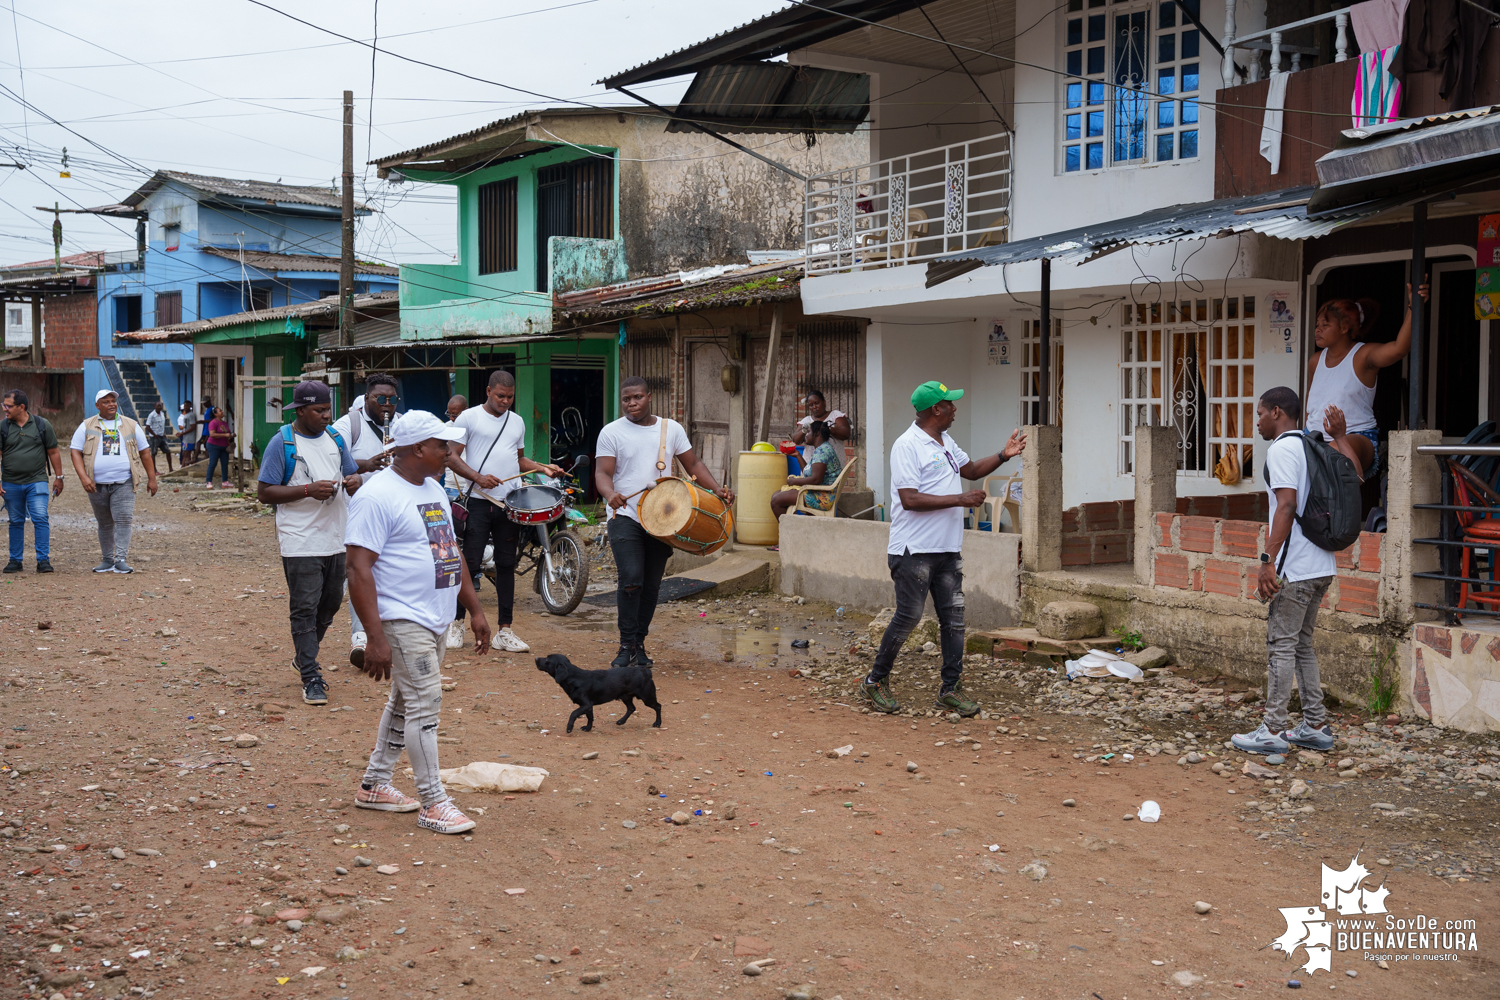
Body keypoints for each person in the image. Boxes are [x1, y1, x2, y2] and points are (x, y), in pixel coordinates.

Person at [346, 410, 489, 835]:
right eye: (442, 445)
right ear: (417, 449)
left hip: (436, 615)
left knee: (407, 702)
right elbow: (357, 568)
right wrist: (374, 636)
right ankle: (433, 802)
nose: (449, 452)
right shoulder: (376, 496)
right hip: (400, 617)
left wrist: (475, 609)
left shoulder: (433, 489)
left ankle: (374, 784)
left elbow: (449, 550)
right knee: (426, 704)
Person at [858, 381, 1026, 718]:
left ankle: (950, 689)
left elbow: (972, 471)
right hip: (913, 550)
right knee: (909, 617)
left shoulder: (945, 441)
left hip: (947, 548)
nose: (955, 408)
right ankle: (875, 681)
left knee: (954, 621)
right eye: (950, 403)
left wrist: (1002, 455)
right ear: (936, 409)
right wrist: (961, 499)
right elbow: (909, 499)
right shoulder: (907, 446)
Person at [594, 376, 733, 669]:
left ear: (649, 396)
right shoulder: (611, 432)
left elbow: (693, 465)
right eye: (626, 399)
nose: (632, 404)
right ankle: (625, 645)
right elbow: (602, 473)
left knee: (652, 585)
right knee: (631, 578)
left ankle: (638, 644)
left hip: (662, 519)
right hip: (626, 515)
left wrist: (717, 490)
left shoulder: (671, 429)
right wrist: (610, 494)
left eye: (637, 398)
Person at [1232, 386, 1338, 755]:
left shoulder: (1281, 449)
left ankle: (1274, 731)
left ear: (1277, 412)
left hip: (1295, 567)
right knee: (1302, 646)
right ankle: (1316, 726)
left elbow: (1287, 504)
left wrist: (1267, 561)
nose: (1256, 421)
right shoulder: (1312, 445)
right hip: (1323, 563)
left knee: (1280, 646)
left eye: (1259, 413)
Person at [256, 381, 363, 706]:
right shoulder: (282, 443)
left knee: (329, 604)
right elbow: (264, 493)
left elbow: (351, 474)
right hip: (300, 539)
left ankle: (305, 655)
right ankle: (311, 676)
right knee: (304, 608)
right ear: (300, 410)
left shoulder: (335, 438)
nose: (325, 416)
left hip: (336, 537)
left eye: (328, 409)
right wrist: (307, 490)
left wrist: (355, 480)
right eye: (318, 410)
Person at [447, 371, 563, 654]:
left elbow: (518, 458)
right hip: (477, 499)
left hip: (509, 502)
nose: (505, 401)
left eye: (510, 397)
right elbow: (450, 455)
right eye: (500, 396)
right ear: (488, 391)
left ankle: (505, 631)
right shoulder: (468, 418)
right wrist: (478, 477)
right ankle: (456, 624)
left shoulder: (517, 421)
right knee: (470, 563)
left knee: (506, 565)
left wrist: (542, 467)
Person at [1304, 280, 1428, 479]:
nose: (1318, 330)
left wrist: (1414, 307)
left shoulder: (1363, 355)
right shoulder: (1315, 360)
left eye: (1325, 325)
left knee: (1331, 456)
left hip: (1356, 437)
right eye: (1317, 325)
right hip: (1313, 436)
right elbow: (1312, 402)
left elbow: (1399, 349)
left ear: (1344, 328)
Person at [332, 373, 403, 664]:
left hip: (392, 511)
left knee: (389, 573)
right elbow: (329, 458)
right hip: (356, 512)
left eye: (392, 400)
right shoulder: (348, 424)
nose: (387, 405)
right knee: (360, 573)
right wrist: (364, 466)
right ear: (366, 399)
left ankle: (387, 635)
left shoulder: (400, 425)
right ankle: (360, 637)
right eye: (380, 399)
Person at [69, 389, 157, 574]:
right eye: (106, 401)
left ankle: (121, 560)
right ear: (97, 405)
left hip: (124, 481)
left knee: (124, 519)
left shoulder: (130, 425)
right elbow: (75, 451)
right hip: (96, 484)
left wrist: (152, 478)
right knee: (105, 523)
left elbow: (145, 452)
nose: (111, 404)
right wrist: (84, 477)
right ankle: (107, 560)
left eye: (113, 401)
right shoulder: (86, 426)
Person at [1, 389, 63, 574]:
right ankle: (15, 560)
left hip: (36, 480)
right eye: (3, 405)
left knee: (40, 517)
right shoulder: (3, 427)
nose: (5, 409)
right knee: (16, 521)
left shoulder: (42, 425)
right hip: (10, 483)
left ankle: (43, 560)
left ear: (21, 407)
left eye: (8, 406)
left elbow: (53, 452)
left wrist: (59, 478)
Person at [770, 419, 842, 519]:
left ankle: (791, 533)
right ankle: (794, 530)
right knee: (777, 494)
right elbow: (810, 473)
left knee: (776, 500)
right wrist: (798, 455)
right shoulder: (823, 448)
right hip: (821, 493)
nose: (805, 435)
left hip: (822, 497)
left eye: (808, 432)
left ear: (816, 433)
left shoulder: (822, 452)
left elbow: (815, 480)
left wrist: (794, 481)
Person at [791, 390, 851, 469]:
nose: (814, 407)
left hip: (834, 466)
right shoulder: (806, 420)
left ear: (824, 402)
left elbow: (846, 433)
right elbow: (795, 440)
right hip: (811, 467)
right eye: (811, 405)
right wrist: (804, 430)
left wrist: (826, 428)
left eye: (817, 403)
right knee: (813, 479)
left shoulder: (835, 415)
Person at [202, 407, 234, 488]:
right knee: (213, 463)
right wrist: (225, 435)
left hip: (224, 447)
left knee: (225, 464)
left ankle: (225, 482)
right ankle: (208, 482)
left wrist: (231, 435)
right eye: (220, 411)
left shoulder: (224, 423)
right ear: (215, 414)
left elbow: (227, 433)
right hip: (213, 446)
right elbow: (212, 434)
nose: (222, 412)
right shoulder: (213, 423)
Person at [144, 401, 174, 473]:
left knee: (168, 451)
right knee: (154, 453)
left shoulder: (162, 414)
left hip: (162, 436)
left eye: (160, 405)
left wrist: (164, 433)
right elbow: (147, 427)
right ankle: (154, 470)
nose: (159, 407)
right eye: (158, 406)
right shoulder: (152, 415)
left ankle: (171, 468)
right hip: (154, 437)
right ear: (155, 406)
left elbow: (162, 424)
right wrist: (154, 435)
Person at [177, 401, 197, 466]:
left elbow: (193, 427)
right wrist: (181, 433)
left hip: (189, 439)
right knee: (184, 453)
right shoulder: (185, 415)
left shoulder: (191, 415)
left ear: (190, 406)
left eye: (187, 406)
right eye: (184, 406)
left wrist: (183, 433)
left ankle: (186, 467)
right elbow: (185, 427)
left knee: (187, 453)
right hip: (185, 439)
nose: (185, 407)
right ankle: (183, 466)